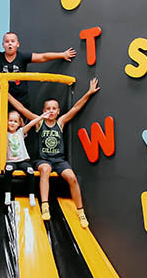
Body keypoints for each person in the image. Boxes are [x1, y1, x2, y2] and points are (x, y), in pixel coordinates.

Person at [28, 78, 100, 228]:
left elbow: (76, 108)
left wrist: (89, 93)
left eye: (54, 108)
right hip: (43, 160)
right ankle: (45, 205)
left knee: (72, 178)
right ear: (43, 111)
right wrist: (7, 95)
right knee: (45, 170)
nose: (51, 111)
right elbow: (23, 110)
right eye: (48, 108)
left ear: (58, 111)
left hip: (59, 160)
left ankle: (80, 211)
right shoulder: (40, 122)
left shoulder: (60, 122)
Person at [0, 110, 43, 206]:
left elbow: (31, 124)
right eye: (10, 120)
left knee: (30, 171)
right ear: (6, 121)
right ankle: (7, 194)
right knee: (8, 170)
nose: (12, 123)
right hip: (10, 161)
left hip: (21, 161)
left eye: (15, 121)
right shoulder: (4, 133)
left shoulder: (20, 132)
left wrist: (42, 116)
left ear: (19, 124)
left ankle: (31, 195)